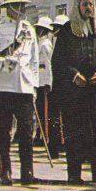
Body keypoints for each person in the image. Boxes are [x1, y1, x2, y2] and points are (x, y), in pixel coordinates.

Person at [51, 0, 96, 184]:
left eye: (91, 5)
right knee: (75, 131)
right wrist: (73, 74)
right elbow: (58, 61)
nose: (88, 8)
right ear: (78, 6)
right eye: (85, 5)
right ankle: (74, 173)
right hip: (75, 91)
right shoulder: (67, 31)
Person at [0, 0, 39, 185]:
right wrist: (4, 63)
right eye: (17, 5)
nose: (21, 8)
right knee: (4, 132)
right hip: (2, 86)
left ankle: (27, 172)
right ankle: (5, 172)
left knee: (26, 132)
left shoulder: (29, 30)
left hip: (23, 87)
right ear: (8, 7)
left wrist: (34, 87)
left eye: (22, 5)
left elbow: (33, 61)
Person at [48, 13, 70, 159]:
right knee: (54, 117)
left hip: (64, 85)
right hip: (55, 83)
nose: (55, 31)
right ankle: (55, 145)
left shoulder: (67, 44)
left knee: (62, 117)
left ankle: (61, 144)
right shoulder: (56, 42)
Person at [34, 16, 54, 149]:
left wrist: (48, 81)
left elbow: (48, 64)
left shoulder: (46, 44)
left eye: (40, 29)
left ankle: (45, 137)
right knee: (40, 111)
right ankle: (40, 135)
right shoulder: (40, 42)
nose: (38, 30)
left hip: (44, 79)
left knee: (45, 111)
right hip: (39, 79)